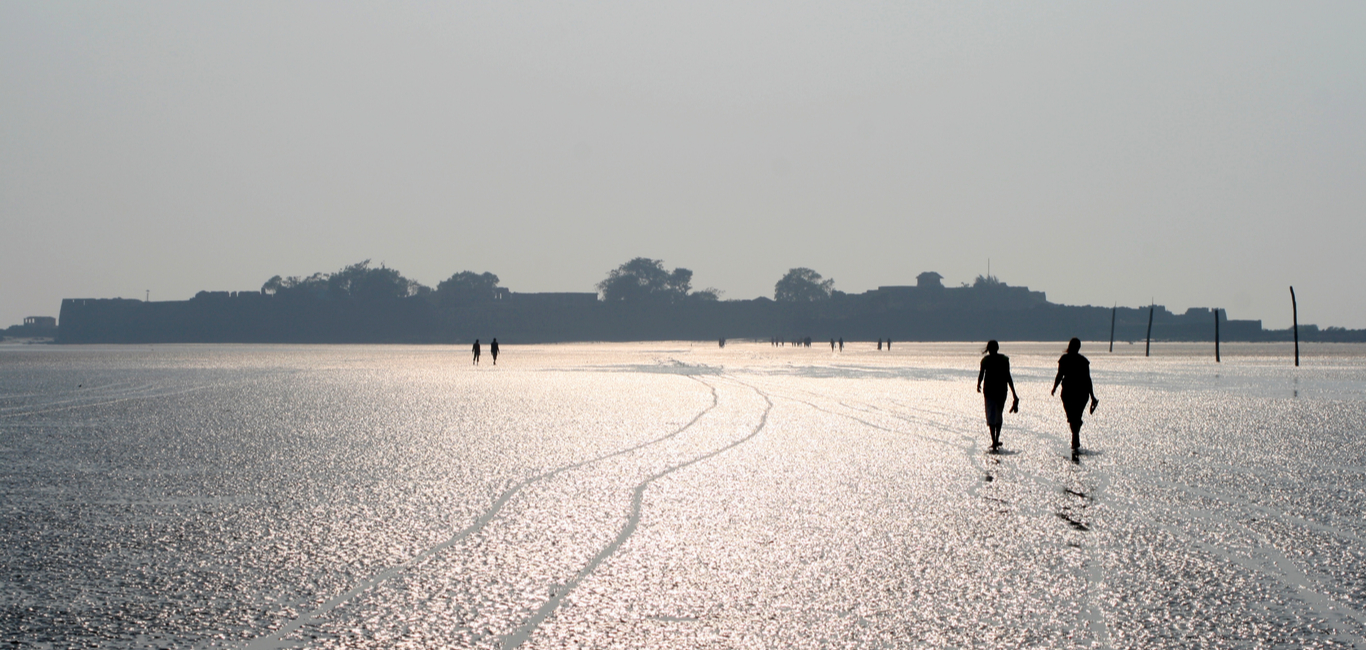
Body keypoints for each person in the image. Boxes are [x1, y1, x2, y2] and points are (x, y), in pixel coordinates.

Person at [1052, 337, 1099, 450]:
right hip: (1079, 393)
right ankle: (1076, 434)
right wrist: (1092, 396)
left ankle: (1075, 439)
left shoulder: (1067, 359)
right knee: (1074, 417)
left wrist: (1054, 387)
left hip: (1072, 392)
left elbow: (1060, 375)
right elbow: (1087, 379)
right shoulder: (1081, 361)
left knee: (1073, 417)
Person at [976, 340, 1019, 449]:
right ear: (997, 348)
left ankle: (994, 440)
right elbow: (1008, 376)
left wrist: (979, 384)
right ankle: (996, 438)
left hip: (990, 391)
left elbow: (981, 374)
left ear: (988, 349)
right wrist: (1014, 393)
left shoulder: (986, 360)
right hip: (1001, 390)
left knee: (991, 414)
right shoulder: (1003, 360)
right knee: (998, 414)